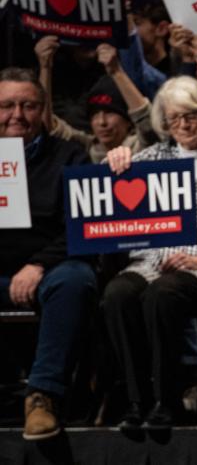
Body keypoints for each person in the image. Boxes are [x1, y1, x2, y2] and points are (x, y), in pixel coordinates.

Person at [101, 76, 197, 429]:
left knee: (163, 294)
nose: (184, 125)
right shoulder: (152, 158)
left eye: (191, 115)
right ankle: (135, 399)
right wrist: (115, 161)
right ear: (164, 123)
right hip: (153, 263)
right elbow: (105, 202)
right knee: (118, 293)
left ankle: (167, 400)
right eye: (174, 118)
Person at [0, 67, 97, 440]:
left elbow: (82, 227)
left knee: (76, 279)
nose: (17, 115)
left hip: (49, 269)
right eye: (7, 105)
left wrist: (38, 264)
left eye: (28, 105)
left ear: (43, 110)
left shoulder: (72, 156)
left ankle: (41, 396)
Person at [36, 40, 156, 162]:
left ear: (129, 120)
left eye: (110, 113)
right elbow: (48, 127)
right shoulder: (86, 148)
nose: (102, 122)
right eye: (95, 114)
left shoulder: (143, 146)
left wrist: (116, 71)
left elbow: (146, 122)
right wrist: (45, 67)